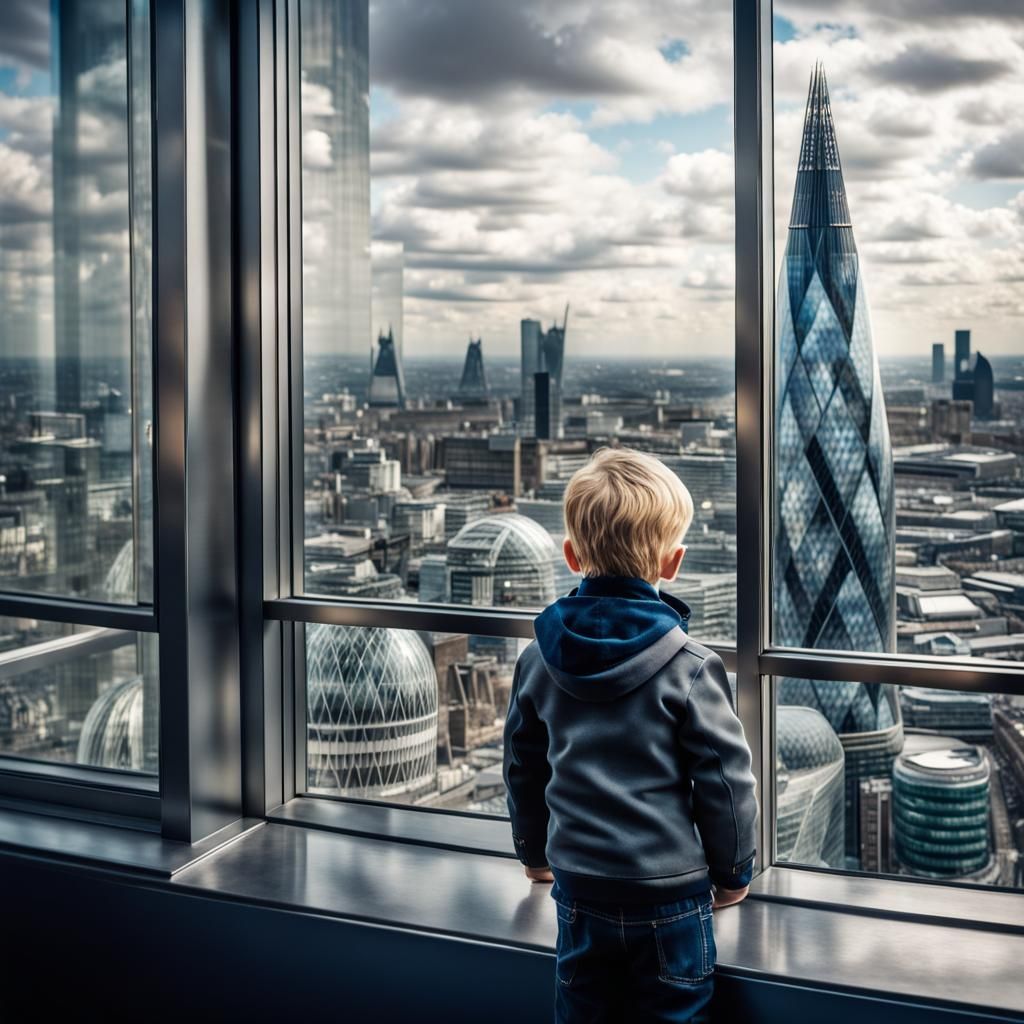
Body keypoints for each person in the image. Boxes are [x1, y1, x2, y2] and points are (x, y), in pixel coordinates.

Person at [502, 447, 758, 1023]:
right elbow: (726, 781)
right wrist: (733, 874)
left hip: (579, 889)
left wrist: (534, 855)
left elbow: (523, 766)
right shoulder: (689, 666)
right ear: (673, 562)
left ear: (571, 554)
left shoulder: (538, 659)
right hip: (670, 895)